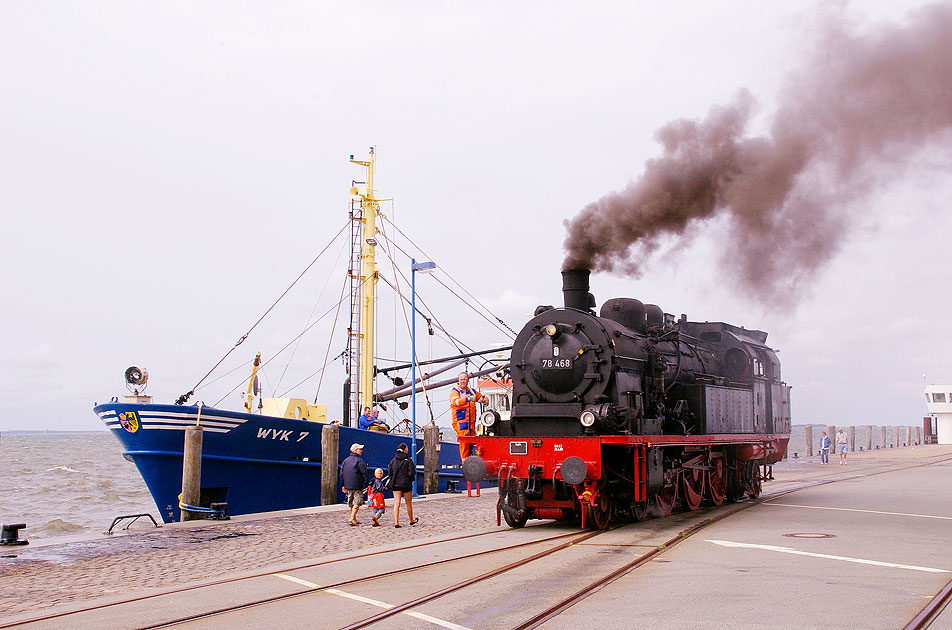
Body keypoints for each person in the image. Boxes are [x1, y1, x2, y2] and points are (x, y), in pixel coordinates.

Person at [450, 371, 487, 459]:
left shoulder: (472, 391)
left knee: (471, 441)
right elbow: (456, 402)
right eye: (461, 379)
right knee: (464, 441)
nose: (463, 381)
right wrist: (467, 399)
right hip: (460, 421)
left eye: (465, 379)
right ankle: (464, 461)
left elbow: (481, 398)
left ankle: (470, 459)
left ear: (468, 381)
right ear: (459, 381)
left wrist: (485, 400)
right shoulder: (455, 391)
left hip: (471, 422)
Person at [388, 443, 418, 528]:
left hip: (396, 484)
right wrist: (409, 480)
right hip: (406, 484)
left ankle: (396, 522)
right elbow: (412, 473)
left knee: (396, 502)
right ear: (405, 450)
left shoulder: (393, 461)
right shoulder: (408, 461)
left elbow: (390, 472)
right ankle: (411, 519)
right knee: (408, 502)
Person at [340, 443, 368, 526]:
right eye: (360, 449)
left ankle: (354, 518)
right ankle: (352, 518)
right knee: (358, 502)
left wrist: (343, 484)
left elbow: (342, 473)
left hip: (348, 485)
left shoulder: (345, 461)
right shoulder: (359, 461)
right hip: (357, 484)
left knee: (351, 502)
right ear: (355, 450)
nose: (361, 451)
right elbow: (364, 472)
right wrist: (367, 482)